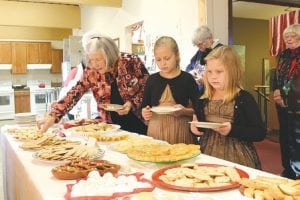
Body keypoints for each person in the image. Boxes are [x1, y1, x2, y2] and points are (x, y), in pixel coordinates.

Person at [37, 30, 149, 135]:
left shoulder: (130, 62)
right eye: (91, 60)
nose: (94, 64)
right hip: (111, 127)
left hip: (138, 122)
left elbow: (147, 87)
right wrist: (54, 115)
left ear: (109, 55)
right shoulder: (91, 71)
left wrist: (131, 103)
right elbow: (75, 93)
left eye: (98, 59)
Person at [190, 46, 266, 169]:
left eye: (219, 72)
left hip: (238, 157)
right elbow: (202, 126)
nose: (213, 76)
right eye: (209, 72)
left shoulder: (244, 99)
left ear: (233, 71)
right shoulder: (203, 98)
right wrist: (195, 128)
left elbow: (259, 132)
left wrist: (232, 130)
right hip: (207, 154)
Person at [141, 36, 200, 144]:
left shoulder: (187, 79)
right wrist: (145, 112)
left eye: (167, 58)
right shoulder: (152, 79)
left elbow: (199, 109)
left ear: (177, 55)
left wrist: (184, 111)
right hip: (156, 130)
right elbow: (144, 106)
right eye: (158, 59)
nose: (163, 63)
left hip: (181, 130)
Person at [272, 24, 300, 179]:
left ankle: (298, 175)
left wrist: (284, 95)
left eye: (292, 36)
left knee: (297, 140)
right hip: (282, 105)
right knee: (285, 137)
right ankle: (288, 171)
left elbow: (297, 81)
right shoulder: (283, 55)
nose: (288, 39)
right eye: (286, 37)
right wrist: (276, 90)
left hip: (297, 104)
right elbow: (276, 75)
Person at [186, 26, 222, 92]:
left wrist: (206, 81)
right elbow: (190, 65)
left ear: (210, 38)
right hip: (199, 93)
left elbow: (223, 77)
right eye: (197, 45)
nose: (199, 47)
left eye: (200, 44)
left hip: (213, 93)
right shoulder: (201, 50)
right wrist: (191, 72)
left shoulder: (221, 51)